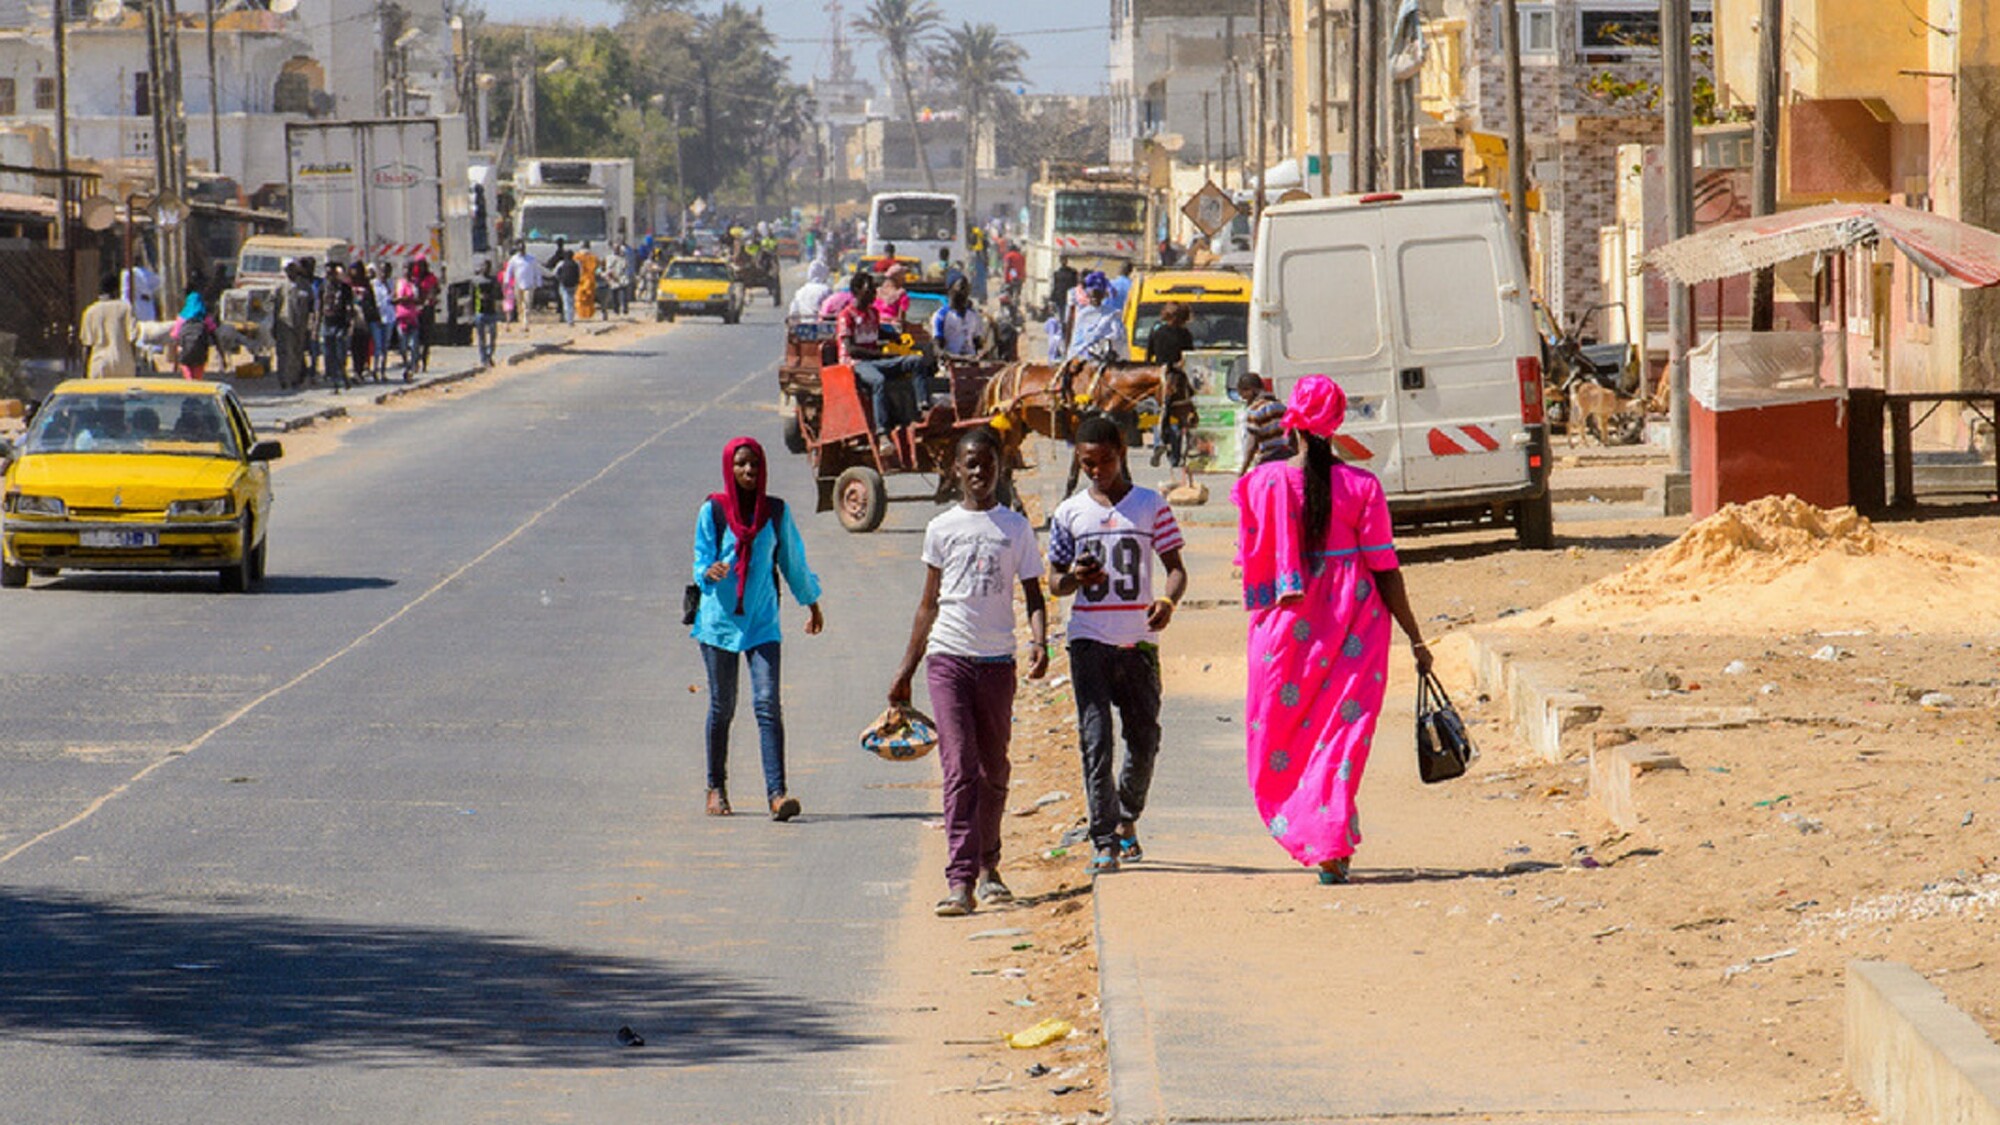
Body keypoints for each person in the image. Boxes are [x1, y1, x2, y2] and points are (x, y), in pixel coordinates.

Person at [1233, 376, 1431, 884]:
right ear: (1338, 424)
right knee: (1340, 737)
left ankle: (1321, 833)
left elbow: (1251, 562)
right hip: (1355, 626)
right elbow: (1385, 567)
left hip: (1284, 631)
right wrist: (1414, 635)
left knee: (1283, 736)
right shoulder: (1363, 487)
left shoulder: (1261, 484)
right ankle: (1331, 841)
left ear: (1291, 419)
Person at [888, 426, 1049, 917]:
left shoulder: (1016, 528)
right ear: (957, 468)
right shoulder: (941, 528)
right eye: (971, 464)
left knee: (993, 769)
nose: (980, 473)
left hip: (998, 663)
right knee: (959, 769)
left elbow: (1035, 596)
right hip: (948, 659)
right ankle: (960, 880)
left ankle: (989, 866)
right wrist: (905, 670)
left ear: (1001, 467)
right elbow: (927, 605)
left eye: (988, 464)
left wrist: (1039, 641)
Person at [1047, 415, 1188, 875]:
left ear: (1121, 450)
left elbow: (1175, 567)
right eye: (1087, 463)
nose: (1097, 471)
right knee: (1096, 739)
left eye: (1104, 460)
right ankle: (1103, 837)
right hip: (1089, 640)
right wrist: (1075, 578)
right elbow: (1056, 583)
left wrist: (1167, 599)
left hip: (1139, 644)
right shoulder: (1070, 513)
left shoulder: (1150, 505)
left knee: (1144, 738)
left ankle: (1127, 816)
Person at [691, 437, 825, 821]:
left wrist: (811, 602)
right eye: (741, 465)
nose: (749, 471)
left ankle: (777, 794)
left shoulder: (775, 512)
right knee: (722, 706)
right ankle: (716, 787)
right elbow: (700, 559)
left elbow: (793, 561)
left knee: (767, 705)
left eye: (754, 465)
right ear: (729, 469)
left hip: (762, 622)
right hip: (718, 623)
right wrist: (708, 572)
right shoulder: (713, 511)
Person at [837, 272, 931, 436]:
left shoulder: (873, 313)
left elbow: (878, 332)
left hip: (876, 361)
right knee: (878, 380)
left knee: (916, 361)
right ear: (858, 290)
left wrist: (896, 338)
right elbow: (851, 349)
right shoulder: (846, 316)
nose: (874, 293)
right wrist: (880, 355)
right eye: (870, 289)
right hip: (855, 364)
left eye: (874, 289)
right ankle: (882, 430)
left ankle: (922, 405)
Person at [1147, 302, 1198, 481]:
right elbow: (1189, 356)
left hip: (1159, 377)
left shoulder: (1156, 330)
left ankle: (1158, 443)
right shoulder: (1185, 334)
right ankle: (1174, 455)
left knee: (1159, 413)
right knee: (1178, 416)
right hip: (1178, 378)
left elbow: (1149, 355)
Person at [79, 274, 140, 378]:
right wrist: (136, 364)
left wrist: (84, 373)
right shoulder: (125, 308)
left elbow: (87, 346)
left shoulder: (90, 312)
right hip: (124, 365)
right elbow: (132, 339)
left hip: (99, 365)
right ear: (117, 290)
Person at [1238, 369, 1294, 473]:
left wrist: (1243, 470)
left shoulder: (1254, 411)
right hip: (1287, 461)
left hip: (1267, 463)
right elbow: (1292, 437)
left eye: (1244, 396)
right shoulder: (1281, 407)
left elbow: (1251, 444)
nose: (1245, 401)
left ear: (1250, 391)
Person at [1065, 272, 1128, 362]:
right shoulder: (1082, 315)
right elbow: (1077, 342)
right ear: (1088, 295)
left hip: (1105, 361)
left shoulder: (1112, 315)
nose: (1094, 298)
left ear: (1102, 295)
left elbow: (1118, 337)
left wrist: (1104, 344)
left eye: (1097, 294)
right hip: (1081, 361)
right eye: (1092, 295)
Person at [275, 261, 314, 388]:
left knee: (298, 351)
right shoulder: (280, 286)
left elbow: (311, 305)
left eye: (293, 269)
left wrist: (311, 324)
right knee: (285, 352)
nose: (291, 272)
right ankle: (284, 379)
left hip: (301, 324)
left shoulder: (305, 286)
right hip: (285, 323)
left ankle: (295, 378)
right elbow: (273, 305)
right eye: (289, 269)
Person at [929, 276, 985, 359]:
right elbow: (937, 348)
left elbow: (978, 343)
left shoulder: (974, 315)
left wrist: (981, 353)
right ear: (950, 291)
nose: (963, 294)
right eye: (960, 289)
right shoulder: (941, 315)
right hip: (950, 364)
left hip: (972, 362)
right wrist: (955, 357)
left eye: (966, 290)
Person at [392, 262, 423, 381]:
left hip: (413, 317)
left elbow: (417, 298)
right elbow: (397, 298)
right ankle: (406, 364)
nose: (407, 272)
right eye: (405, 269)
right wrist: (405, 299)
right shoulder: (400, 283)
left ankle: (413, 364)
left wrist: (407, 299)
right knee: (403, 346)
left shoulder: (414, 283)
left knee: (414, 345)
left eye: (409, 269)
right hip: (401, 318)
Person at [411, 257, 441, 373]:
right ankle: (415, 361)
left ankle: (424, 362)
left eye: (423, 265)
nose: (421, 267)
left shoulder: (431, 278)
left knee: (427, 338)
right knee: (416, 337)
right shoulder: (415, 279)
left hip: (428, 310)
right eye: (419, 265)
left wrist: (431, 295)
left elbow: (437, 289)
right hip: (416, 311)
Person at [471, 258, 503, 367]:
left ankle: (489, 354)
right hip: (480, 312)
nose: (486, 269)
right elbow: (472, 298)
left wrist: (492, 296)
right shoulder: (476, 281)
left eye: (488, 266)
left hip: (491, 312)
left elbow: (499, 295)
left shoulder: (493, 281)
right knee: (481, 338)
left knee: (493, 336)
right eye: (484, 266)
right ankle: (483, 358)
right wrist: (472, 313)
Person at [506, 243, 543, 330]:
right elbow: (509, 271)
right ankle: (521, 320)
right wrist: (507, 282)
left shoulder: (531, 259)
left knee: (527, 304)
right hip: (518, 285)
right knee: (519, 304)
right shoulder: (514, 259)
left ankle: (526, 323)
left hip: (529, 285)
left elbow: (537, 271)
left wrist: (538, 283)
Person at [369, 263, 396, 380]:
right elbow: (372, 302)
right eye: (383, 271)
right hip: (377, 319)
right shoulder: (373, 284)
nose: (384, 274)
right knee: (378, 346)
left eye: (387, 272)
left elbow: (393, 299)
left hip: (389, 317)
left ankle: (383, 371)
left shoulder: (391, 284)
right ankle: (375, 369)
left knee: (385, 346)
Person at [550, 241, 580, 325]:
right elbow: (580, 273)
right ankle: (571, 318)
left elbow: (554, 273)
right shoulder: (576, 263)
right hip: (574, 285)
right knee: (572, 301)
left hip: (564, 284)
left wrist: (559, 279)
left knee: (566, 301)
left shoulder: (561, 263)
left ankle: (569, 320)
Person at [574, 241, 600, 321]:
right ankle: (589, 315)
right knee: (590, 299)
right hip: (591, 281)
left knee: (580, 299)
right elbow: (597, 268)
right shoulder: (594, 258)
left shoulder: (576, 257)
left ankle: (581, 314)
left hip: (581, 281)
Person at [605, 241, 632, 316]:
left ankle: (625, 308)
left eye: (617, 248)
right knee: (614, 295)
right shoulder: (610, 257)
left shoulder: (623, 257)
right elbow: (608, 268)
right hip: (614, 278)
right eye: (615, 248)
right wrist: (610, 276)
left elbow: (626, 267)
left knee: (624, 294)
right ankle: (616, 309)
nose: (616, 249)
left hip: (622, 278)